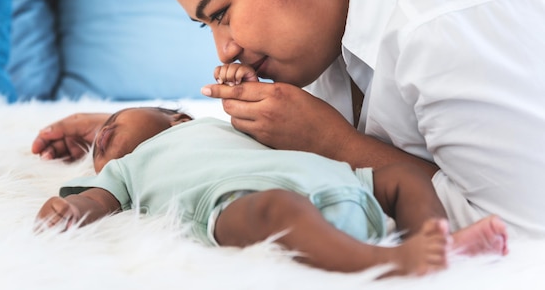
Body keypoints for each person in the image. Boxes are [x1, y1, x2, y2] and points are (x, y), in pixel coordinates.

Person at [151, 0, 545, 237]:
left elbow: (520, 234)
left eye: (221, 13)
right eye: (208, 25)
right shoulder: (331, 11)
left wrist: (332, 143)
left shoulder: (448, 18)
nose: (225, 51)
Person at [36, 102, 508, 277]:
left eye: (115, 119)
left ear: (177, 116)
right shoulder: (128, 168)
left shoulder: (224, 126)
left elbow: (269, 113)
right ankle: (386, 262)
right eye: (98, 144)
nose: (102, 135)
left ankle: (434, 237)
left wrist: (244, 88)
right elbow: (96, 199)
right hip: (238, 202)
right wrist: (67, 209)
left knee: (404, 177)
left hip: (341, 183)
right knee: (277, 210)